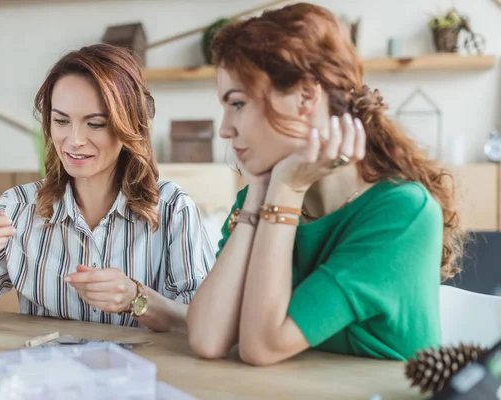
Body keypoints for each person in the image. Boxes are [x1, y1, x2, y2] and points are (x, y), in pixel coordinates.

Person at [187, 3, 462, 365]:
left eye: (237, 103)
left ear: (305, 96)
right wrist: (259, 190)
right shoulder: (260, 198)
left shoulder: (402, 213)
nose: (224, 128)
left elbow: (261, 346)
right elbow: (208, 338)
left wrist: (285, 191)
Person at [0, 44, 215, 332]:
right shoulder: (18, 209)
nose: (74, 140)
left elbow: (204, 324)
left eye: (94, 124)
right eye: (61, 120)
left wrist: (137, 299)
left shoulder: (174, 209)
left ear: (129, 126)